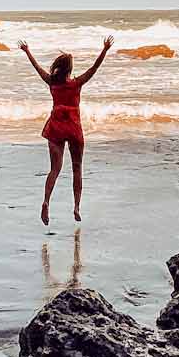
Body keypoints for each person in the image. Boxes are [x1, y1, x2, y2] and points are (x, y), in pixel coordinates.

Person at [19, 35, 113, 225]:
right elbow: (94, 68)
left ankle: (46, 202)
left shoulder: (52, 82)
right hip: (73, 128)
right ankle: (76, 207)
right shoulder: (76, 83)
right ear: (70, 69)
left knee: (54, 169)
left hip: (56, 126)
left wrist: (27, 51)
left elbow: (37, 69)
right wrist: (104, 49)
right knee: (77, 169)